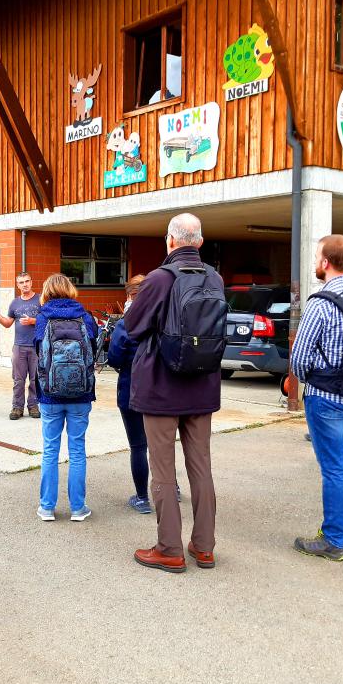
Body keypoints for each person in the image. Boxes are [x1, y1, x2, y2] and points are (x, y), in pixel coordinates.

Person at [125, 213, 222, 573]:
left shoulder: (159, 279)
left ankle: (169, 548)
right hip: (203, 386)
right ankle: (204, 546)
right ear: (198, 242)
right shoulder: (215, 278)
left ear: (170, 241)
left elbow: (133, 327)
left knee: (163, 469)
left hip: (162, 388)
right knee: (201, 467)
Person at [291, 235, 343, 561]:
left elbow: (299, 358)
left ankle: (333, 540)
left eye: (317, 256)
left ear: (325, 263)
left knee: (335, 469)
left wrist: (312, 380)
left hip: (327, 396)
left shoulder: (321, 303)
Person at [33, 273, 98, 522]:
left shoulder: (42, 318)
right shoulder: (84, 316)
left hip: (50, 394)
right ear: (70, 289)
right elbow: (92, 350)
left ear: (47, 291)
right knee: (78, 450)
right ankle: (78, 508)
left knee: (50, 449)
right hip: (81, 393)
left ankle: (47, 507)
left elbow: (38, 351)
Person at [107, 275, 152, 514]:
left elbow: (113, 356)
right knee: (162, 445)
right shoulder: (162, 319)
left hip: (131, 389)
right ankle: (171, 489)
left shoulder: (126, 323)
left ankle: (142, 498)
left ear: (129, 296)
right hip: (160, 391)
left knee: (138, 446)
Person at [0, 272, 41, 420]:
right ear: (17, 285)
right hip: (19, 346)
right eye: (21, 282)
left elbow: (47, 320)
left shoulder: (40, 300)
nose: (25, 284)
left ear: (31, 282)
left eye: (27, 281)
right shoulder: (15, 303)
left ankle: (33, 406)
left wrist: (32, 320)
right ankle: (17, 407)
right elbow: (7, 323)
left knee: (35, 379)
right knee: (18, 379)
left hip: (36, 346)